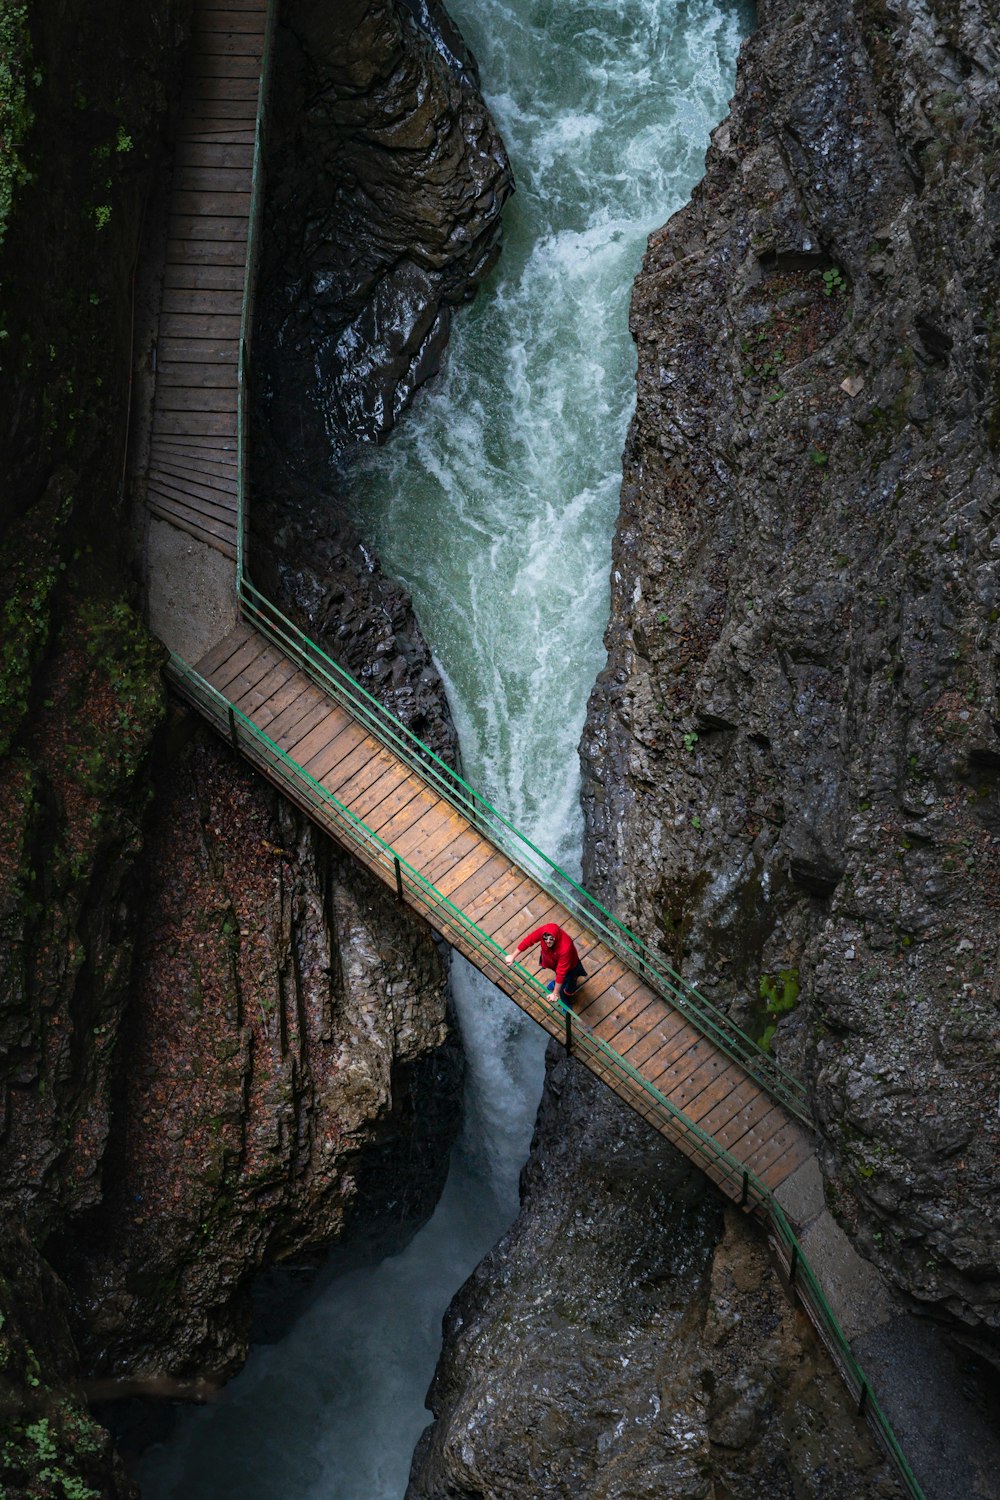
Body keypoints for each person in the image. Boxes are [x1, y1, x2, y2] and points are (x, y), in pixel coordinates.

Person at [504, 922, 587, 1008]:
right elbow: (528, 941)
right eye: (545, 938)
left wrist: (555, 993)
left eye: (551, 939)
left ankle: (566, 1001)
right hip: (552, 962)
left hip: (570, 968)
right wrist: (513, 956)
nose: (547, 941)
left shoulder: (566, 947)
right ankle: (556, 984)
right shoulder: (543, 931)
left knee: (566, 987)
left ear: (556, 937)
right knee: (560, 979)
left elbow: (561, 972)